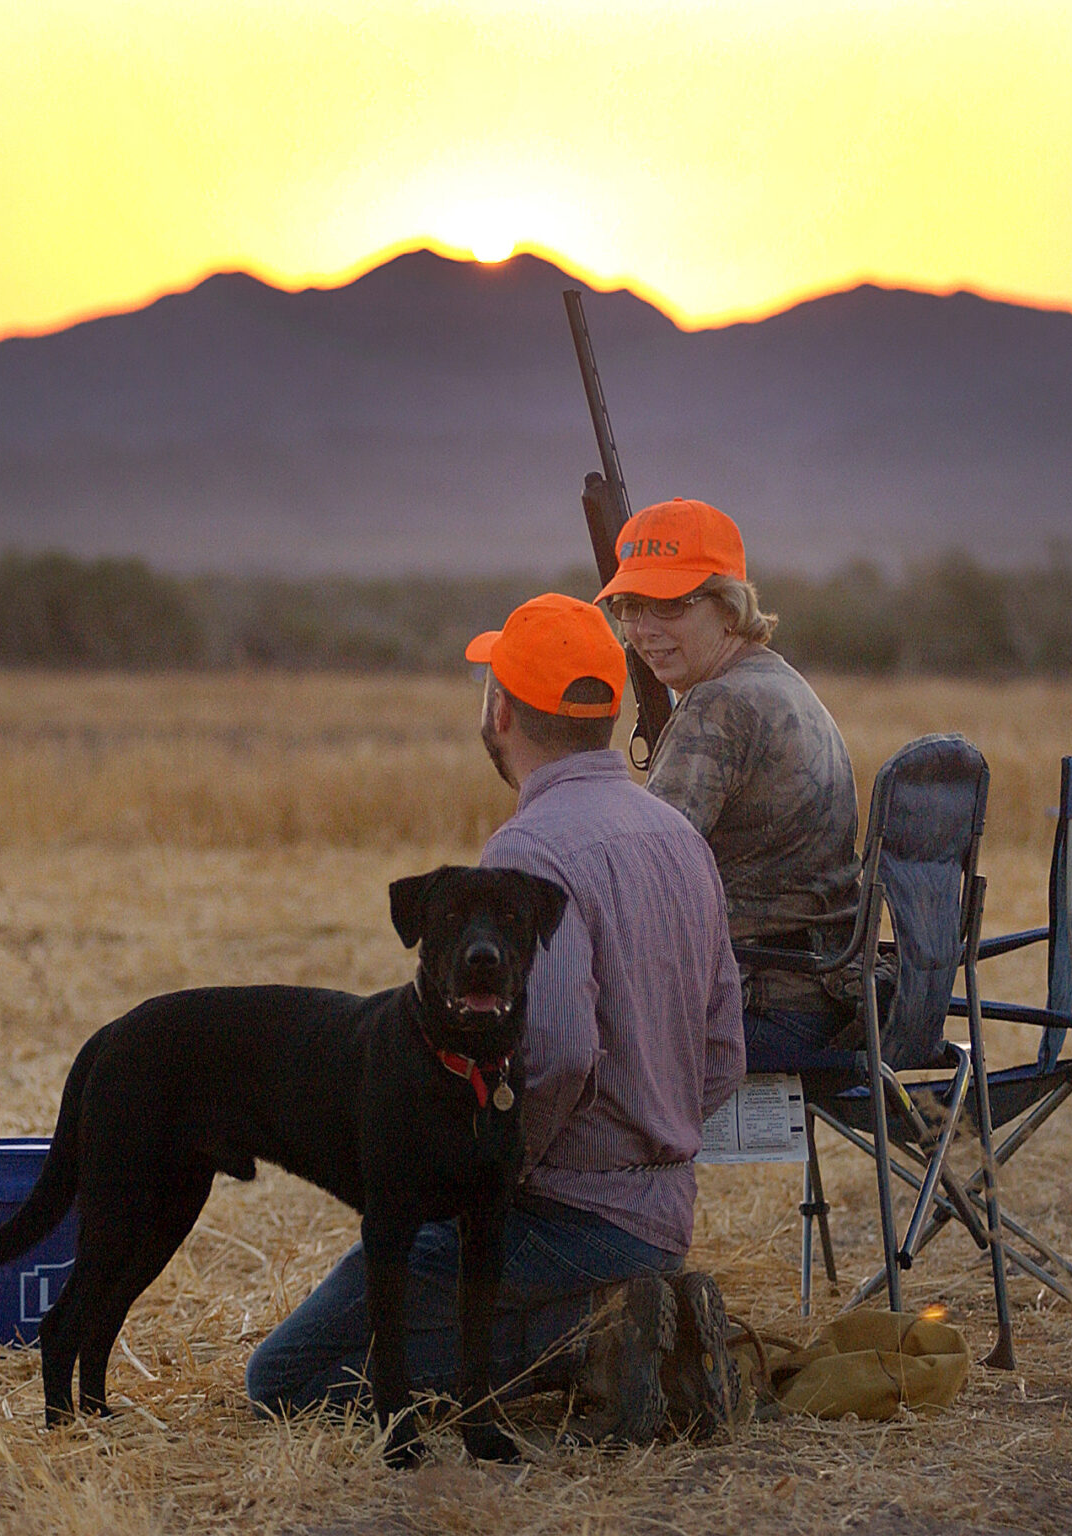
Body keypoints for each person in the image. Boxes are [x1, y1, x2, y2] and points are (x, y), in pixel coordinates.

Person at [246, 592, 745, 1443]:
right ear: (609, 708)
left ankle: (592, 1342)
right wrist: (648, 1148)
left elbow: (551, 1055)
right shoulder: (675, 834)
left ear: (501, 709)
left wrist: (499, 1177)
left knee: (287, 1376)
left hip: (559, 1220)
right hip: (663, 1218)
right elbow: (725, 1050)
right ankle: (631, 1312)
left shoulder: (529, 852)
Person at [595, 498, 871, 1072]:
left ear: (728, 607)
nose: (643, 630)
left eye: (669, 605)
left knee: (556, 1043)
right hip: (825, 998)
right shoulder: (778, 681)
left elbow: (641, 879)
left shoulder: (718, 704)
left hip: (764, 1011)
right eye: (627, 605)